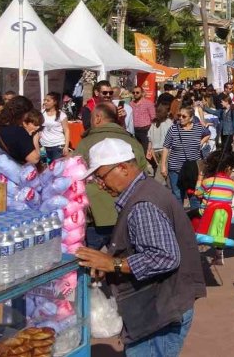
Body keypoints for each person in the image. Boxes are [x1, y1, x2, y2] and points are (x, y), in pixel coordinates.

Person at [74, 139, 205, 357]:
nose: (100, 184)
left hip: (158, 315)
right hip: (161, 308)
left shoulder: (143, 204)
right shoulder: (145, 191)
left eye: (101, 176)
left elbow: (164, 257)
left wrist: (112, 263)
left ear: (123, 168)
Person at [74, 103, 148, 250]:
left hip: (97, 216)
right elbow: (142, 172)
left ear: (97, 118)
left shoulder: (85, 143)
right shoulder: (132, 141)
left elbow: (74, 176)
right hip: (128, 214)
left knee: (92, 261)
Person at [161, 106, 208, 204]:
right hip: (175, 168)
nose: (180, 118)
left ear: (191, 118)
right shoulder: (173, 129)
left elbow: (208, 133)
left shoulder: (198, 128)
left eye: (184, 116)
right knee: (177, 194)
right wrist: (163, 166)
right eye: (179, 116)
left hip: (193, 168)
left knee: (194, 195)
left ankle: (194, 218)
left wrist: (201, 142)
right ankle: (180, 217)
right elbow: (166, 147)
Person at [0, 96, 40, 166]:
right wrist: (35, 139)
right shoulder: (18, 131)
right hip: (13, 174)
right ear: (23, 113)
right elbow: (34, 159)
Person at [41, 92, 71, 162]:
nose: (45, 102)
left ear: (55, 102)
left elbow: (66, 130)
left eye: (48, 101)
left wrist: (66, 146)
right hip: (44, 145)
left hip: (57, 145)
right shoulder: (42, 113)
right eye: (44, 100)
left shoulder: (62, 115)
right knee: (45, 169)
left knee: (56, 168)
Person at [146, 104, 173, 182]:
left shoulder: (168, 123)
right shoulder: (154, 123)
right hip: (156, 151)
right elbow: (150, 138)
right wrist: (149, 150)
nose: (157, 114)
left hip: (165, 151)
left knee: (159, 178)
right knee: (164, 174)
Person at [129, 86, 157, 153]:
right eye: (133, 92)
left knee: (146, 150)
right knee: (136, 150)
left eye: (137, 92)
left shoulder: (148, 103)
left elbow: (153, 117)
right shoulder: (130, 104)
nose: (135, 94)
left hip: (145, 130)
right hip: (134, 130)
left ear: (141, 93)